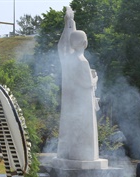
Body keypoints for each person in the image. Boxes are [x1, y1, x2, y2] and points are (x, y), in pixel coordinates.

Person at [56, 7, 101, 161]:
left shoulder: (68, 59)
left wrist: (69, 23)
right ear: (85, 42)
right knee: (84, 134)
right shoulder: (82, 61)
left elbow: (62, 47)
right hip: (83, 105)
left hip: (72, 105)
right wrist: (95, 78)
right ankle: (84, 155)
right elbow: (88, 84)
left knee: (73, 131)